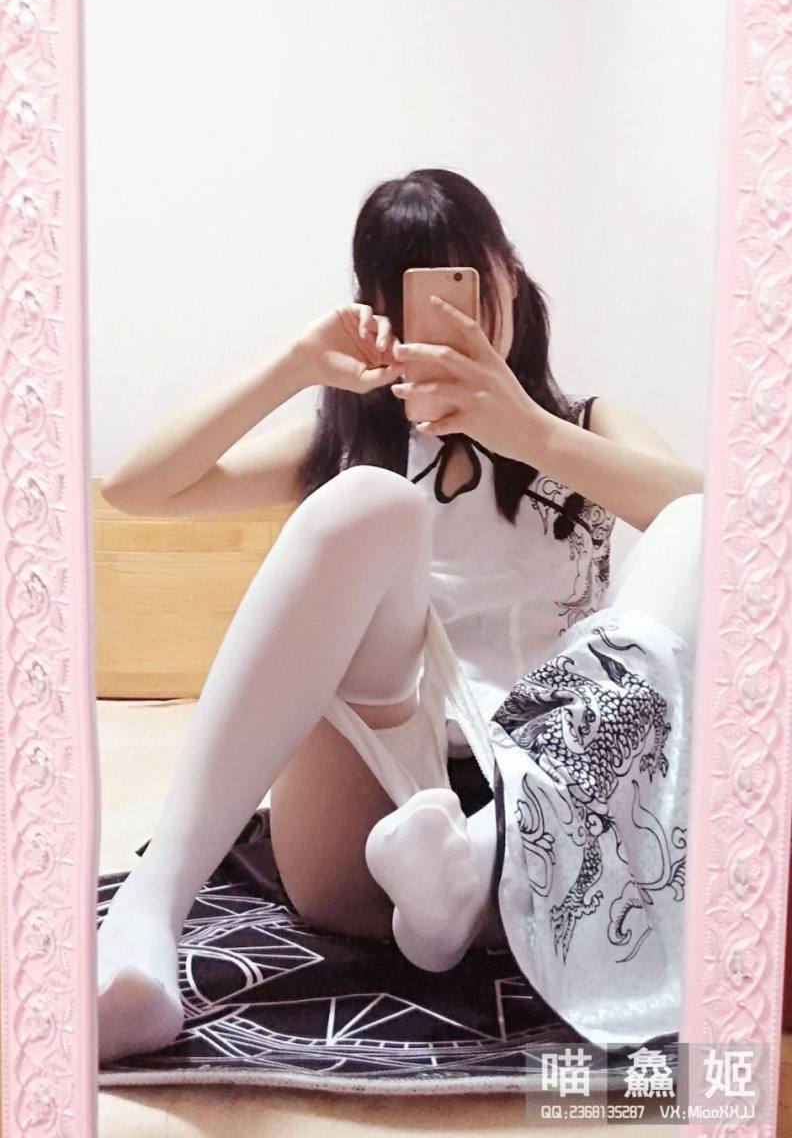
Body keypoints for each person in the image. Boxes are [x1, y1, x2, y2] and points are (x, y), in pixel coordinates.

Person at [96, 168, 704, 1064]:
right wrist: (296, 364)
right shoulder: (355, 441)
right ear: (380, 311)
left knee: (699, 522)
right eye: (415, 300)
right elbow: (135, 489)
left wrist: (529, 432)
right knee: (369, 501)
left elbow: (725, 528)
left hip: (553, 815)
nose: (452, 322)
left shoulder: (584, 427)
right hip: (368, 814)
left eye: (467, 288)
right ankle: (143, 927)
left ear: (509, 277)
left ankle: (474, 864)